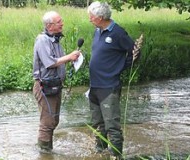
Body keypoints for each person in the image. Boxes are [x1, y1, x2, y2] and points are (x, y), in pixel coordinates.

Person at [87, 1, 134, 159]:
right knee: (98, 124)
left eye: (91, 17)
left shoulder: (118, 33)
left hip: (109, 86)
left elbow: (134, 52)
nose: (90, 19)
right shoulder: (97, 31)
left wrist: (120, 67)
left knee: (112, 126)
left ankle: (116, 156)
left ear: (100, 18)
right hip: (94, 86)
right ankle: (100, 153)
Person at [32, 11, 80, 153]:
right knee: (47, 123)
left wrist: (71, 58)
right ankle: (44, 152)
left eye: (61, 21)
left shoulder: (55, 39)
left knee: (54, 121)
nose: (62, 24)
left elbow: (60, 61)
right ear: (49, 26)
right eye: (59, 22)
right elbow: (49, 63)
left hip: (55, 85)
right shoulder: (42, 40)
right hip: (44, 87)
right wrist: (69, 57)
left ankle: (47, 150)